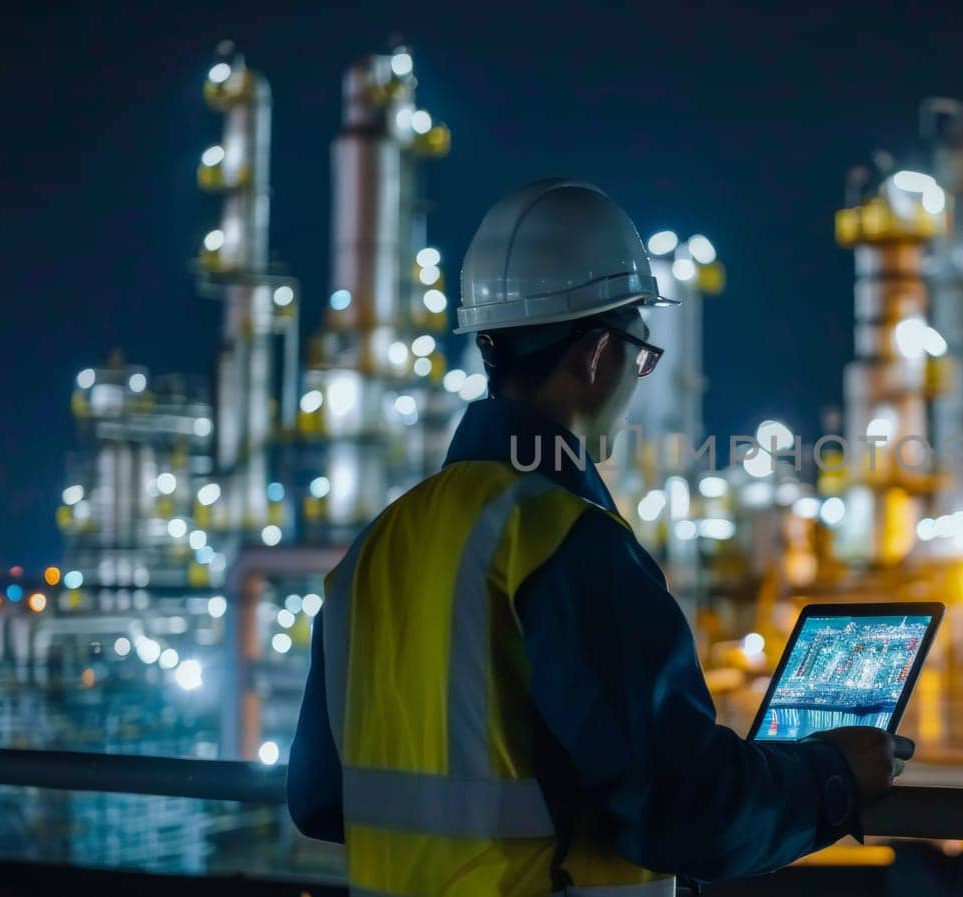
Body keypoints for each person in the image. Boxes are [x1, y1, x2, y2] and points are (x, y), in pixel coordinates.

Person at [288, 178, 913, 897]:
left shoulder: (374, 547)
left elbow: (316, 798)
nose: (639, 376)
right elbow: (684, 808)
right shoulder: (563, 538)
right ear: (594, 354)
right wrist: (831, 774)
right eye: (641, 353)